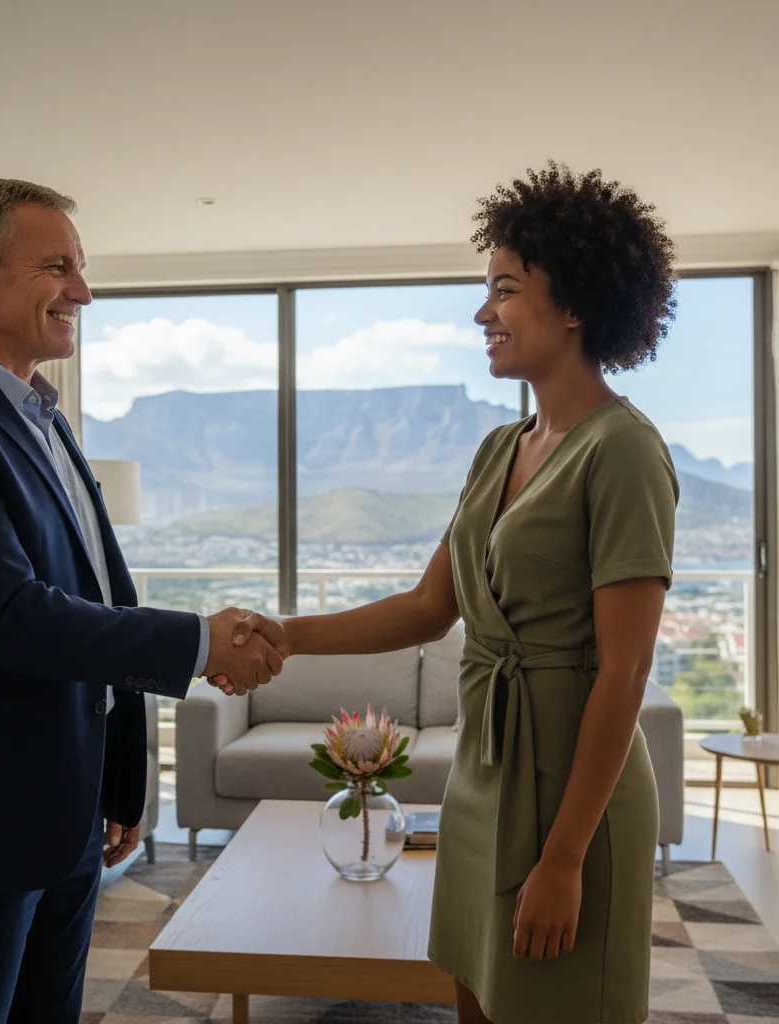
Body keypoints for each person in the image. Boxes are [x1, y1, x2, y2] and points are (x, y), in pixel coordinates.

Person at [221, 163, 678, 1024]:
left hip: (570, 797)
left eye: (504, 290)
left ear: (574, 304)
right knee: (474, 999)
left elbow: (625, 670)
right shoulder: (499, 448)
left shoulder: (623, 451)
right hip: (483, 776)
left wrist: (567, 858)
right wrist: (281, 634)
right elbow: (429, 608)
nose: (482, 314)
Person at [0, 178, 286, 1024]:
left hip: (65, 818)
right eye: (57, 267)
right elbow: (11, 618)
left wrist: (122, 778)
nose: (83, 291)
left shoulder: (44, 419)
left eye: (81, 268)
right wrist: (200, 641)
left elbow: (91, 593)